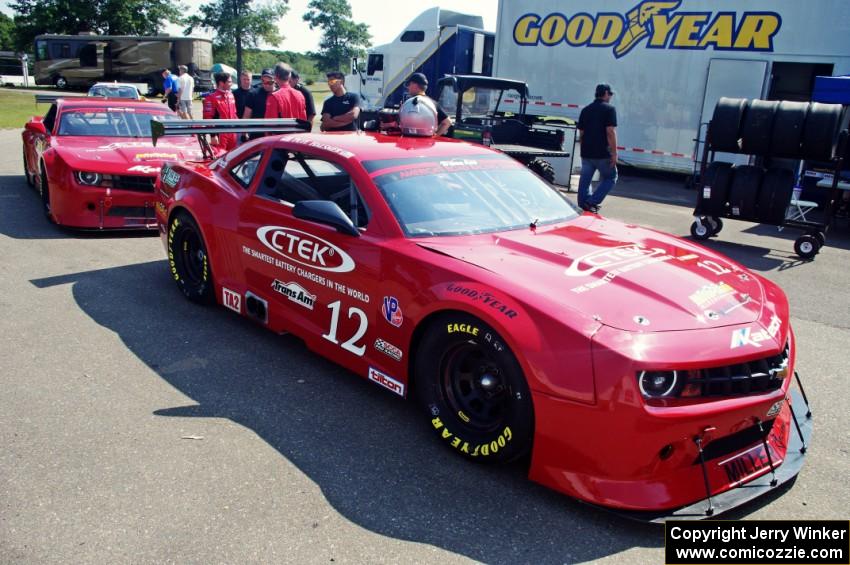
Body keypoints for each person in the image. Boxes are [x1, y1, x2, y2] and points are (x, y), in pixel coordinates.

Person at [576, 83, 618, 213]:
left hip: (587, 153)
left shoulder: (586, 110)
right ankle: (592, 202)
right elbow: (610, 131)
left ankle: (584, 205)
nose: (610, 96)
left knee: (585, 180)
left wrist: (584, 148)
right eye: (610, 94)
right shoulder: (609, 109)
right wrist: (614, 153)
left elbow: (581, 133)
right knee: (611, 177)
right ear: (605, 93)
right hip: (602, 153)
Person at [403, 72, 450, 136]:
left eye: (409, 84)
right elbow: (447, 122)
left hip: (407, 143)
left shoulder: (408, 103)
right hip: (426, 144)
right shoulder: (432, 104)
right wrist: (435, 136)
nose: (408, 87)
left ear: (415, 85)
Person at [202, 72, 238, 150]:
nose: (231, 84)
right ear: (221, 83)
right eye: (229, 82)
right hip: (221, 132)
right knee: (220, 157)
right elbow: (207, 118)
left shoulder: (231, 95)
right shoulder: (211, 97)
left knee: (233, 157)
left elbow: (234, 114)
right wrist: (213, 135)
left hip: (233, 132)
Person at [242, 68, 276, 139]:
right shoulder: (253, 94)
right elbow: (246, 116)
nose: (266, 85)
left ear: (275, 80)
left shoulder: (279, 94)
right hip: (256, 134)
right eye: (263, 82)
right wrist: (244, 133)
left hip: (275, 134)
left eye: (269, 82)